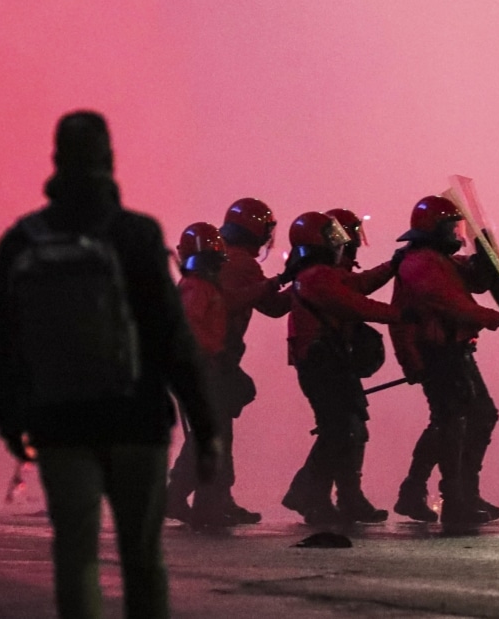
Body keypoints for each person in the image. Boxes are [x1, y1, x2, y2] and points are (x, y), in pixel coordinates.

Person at [0, 110, 218, 619]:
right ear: (109, 160)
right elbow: (172, 338)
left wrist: (13, 425)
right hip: (138, 421)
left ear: (56, 161)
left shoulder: (21, 241)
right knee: (142, 559)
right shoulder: (136, 234)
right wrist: (205, 425)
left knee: (76, 555)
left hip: (60, 422)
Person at [389, 196, 499, 525]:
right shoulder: (421, 262)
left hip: (453, 349)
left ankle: (452, 491)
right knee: (451, 422)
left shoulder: (438, 260)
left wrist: (485, 257)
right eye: (451, 227)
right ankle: (452, 498)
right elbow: (451, 303)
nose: (456, 233)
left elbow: (475, 281)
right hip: (438, 352)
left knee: (471, 417)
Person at [166, 198, 289, 525]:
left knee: (215, 430)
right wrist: (289, 282)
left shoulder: (211, 269)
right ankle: (192, 497)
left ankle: (208, 498)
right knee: (214, 431)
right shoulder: (240, 264)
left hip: (205, 360)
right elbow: (263, 305)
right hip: (212, 360)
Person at [280, 211, 403, 525]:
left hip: (330, 361)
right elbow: (355, 302)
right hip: (325, 364)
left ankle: (335, 498)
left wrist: (392, 266)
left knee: (345, 429)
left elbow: (357, 285)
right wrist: (402, 314)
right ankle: (311, 494)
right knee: (338, 431)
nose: (342, 244)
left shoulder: (317, 273)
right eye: (333, 238)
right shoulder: (317, 276)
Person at [166, 223, 240, 530]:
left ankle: (204, 503)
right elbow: (190, 327)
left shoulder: (199, 286)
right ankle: (190, 500)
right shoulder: (197, 288)